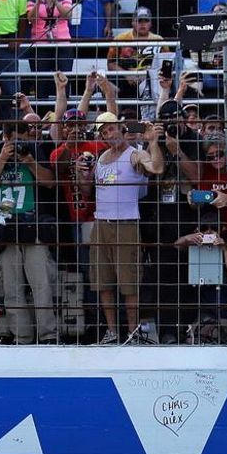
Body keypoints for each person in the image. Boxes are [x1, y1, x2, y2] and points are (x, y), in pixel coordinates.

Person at [0, 120, 58, 345]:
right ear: (5, 138)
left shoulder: (33, 150)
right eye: (14, 140)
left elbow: (50, 182)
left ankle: (48, 336)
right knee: (12, 289)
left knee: (41, 284)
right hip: (5, 229)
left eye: (22, 139)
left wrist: (30, 162)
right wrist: (3, 158)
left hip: (33, 227)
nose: (19, 144)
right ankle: (22, 337)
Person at [91, 112, 164, 343]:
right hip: (101, 223)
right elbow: (89, 190)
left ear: (121, 128)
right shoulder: (101, 157)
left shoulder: (133, 154)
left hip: (126, 223)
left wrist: (152, 142)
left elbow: (156, 168)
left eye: (111, 129)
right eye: (104, 131)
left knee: (129, 282)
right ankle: (112, 331)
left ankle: (132, 331)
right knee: (103, 281)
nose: (108, 134)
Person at [26, 0, 74, 99]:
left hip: (62, 44)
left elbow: (68, 15)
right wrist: (38, 2)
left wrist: (55, 0)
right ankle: (42, 116)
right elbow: (31, 19)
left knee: (64, 81)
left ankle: (64, 116)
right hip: (40, 44)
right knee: (41, 83)